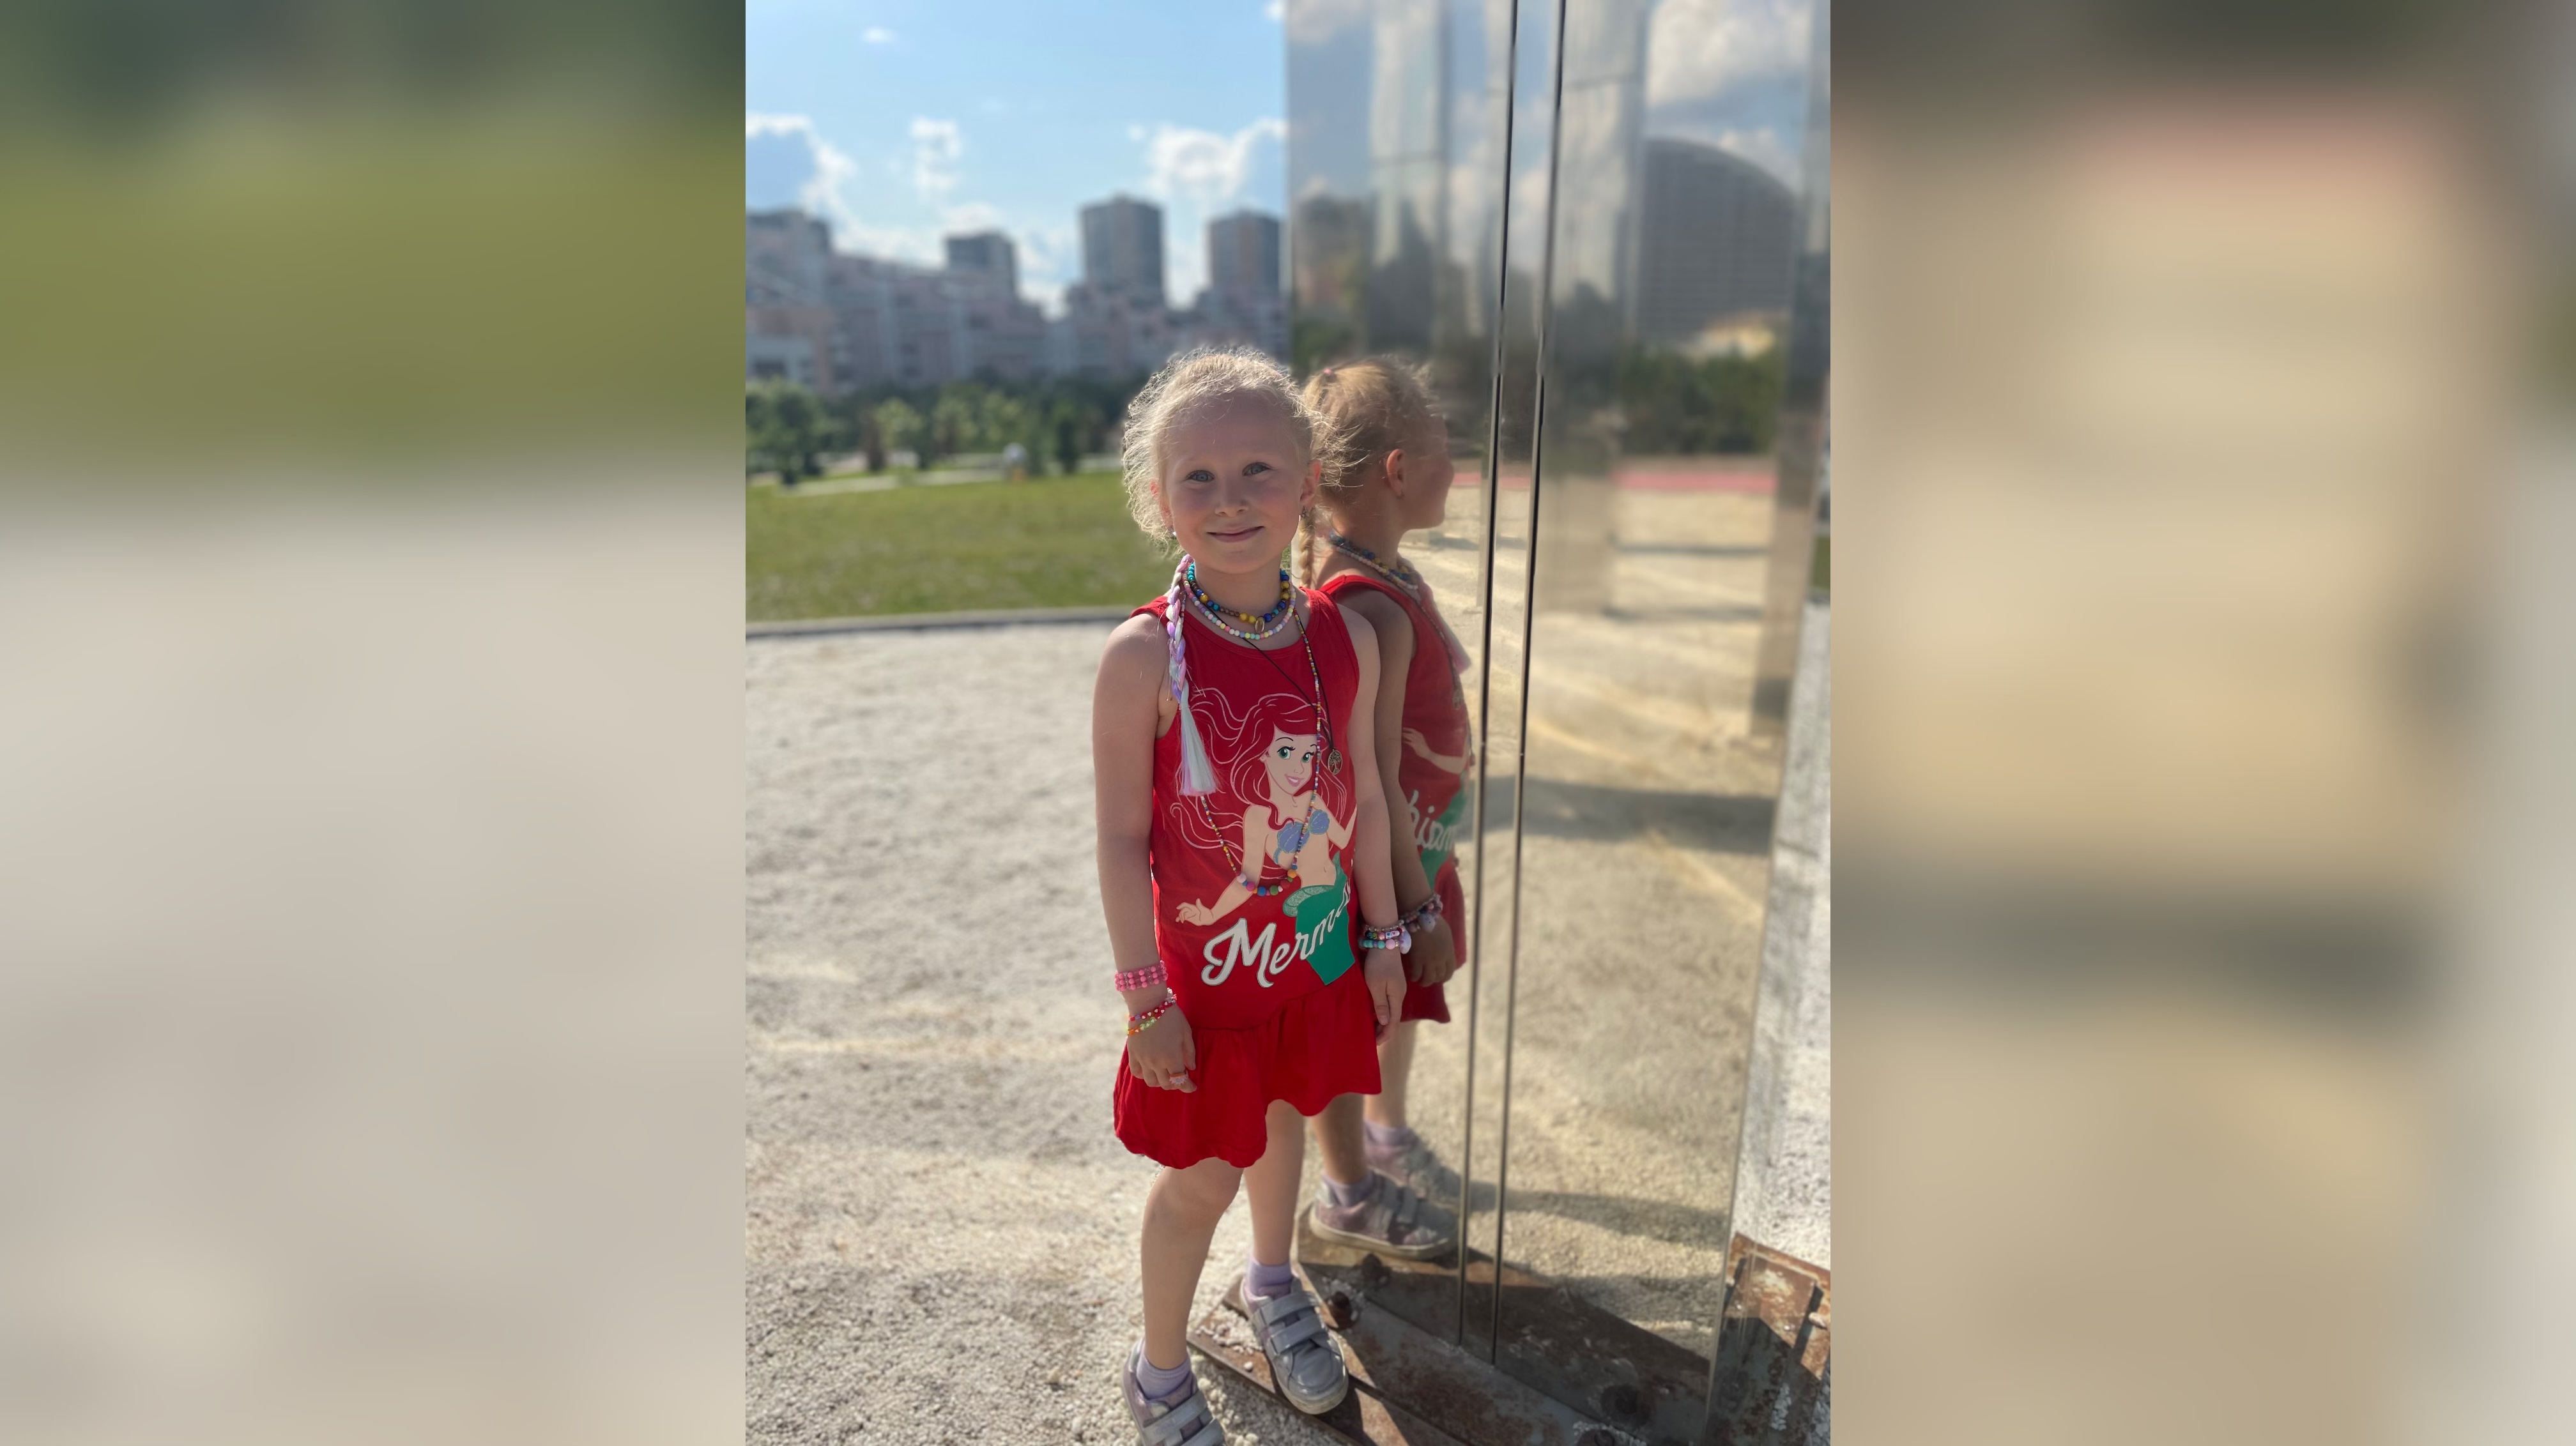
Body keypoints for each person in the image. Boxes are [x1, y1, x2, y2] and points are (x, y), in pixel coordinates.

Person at [1093, 348, 1411, 1443]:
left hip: (1309, 965)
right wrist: (1145, 998)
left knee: (1284, 1120)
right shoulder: (1144, 657)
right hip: (1206, 992)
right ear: (1159, 498)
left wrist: (1383, 934)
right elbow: (1121, 839)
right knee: (1202, 1179)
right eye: (1199, 478)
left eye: (1258, 470)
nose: (1230, 500)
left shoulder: (1343, 636)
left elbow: (1364, 794)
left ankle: (1273, 1284)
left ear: (1309, 479)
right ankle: (1158, 1372)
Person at [1296, 360, 1471, 1260]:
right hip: (1385, 874)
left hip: (1416, 854)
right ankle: (1347, 1193)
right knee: (1353, 1022)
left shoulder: (1383, 576)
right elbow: (1371, 778)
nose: (1457, 468)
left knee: (1395, 1012)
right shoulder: (1369, 607)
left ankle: (1386, 1136)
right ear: (1399, 471)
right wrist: (1416, 908)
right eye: (1446, 450)